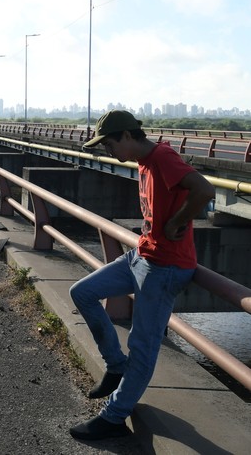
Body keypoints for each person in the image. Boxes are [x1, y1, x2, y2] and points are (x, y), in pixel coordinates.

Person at [68, 110, 215, 441]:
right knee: (83, 292)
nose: (108, 153)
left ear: (127, 137)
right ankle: (116, 366)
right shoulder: (144, 161)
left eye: (108, 145)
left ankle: (114, 416)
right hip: (141, 255)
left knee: (143, 344)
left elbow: (204, 191)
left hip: (165, 267)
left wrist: (178, 221)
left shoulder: (162, 157)